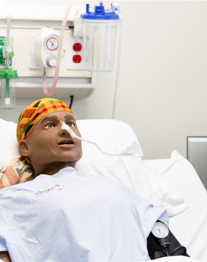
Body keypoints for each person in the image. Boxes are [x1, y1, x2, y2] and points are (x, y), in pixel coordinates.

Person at [0, 98, 188, 262]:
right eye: (50, 125)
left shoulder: (113, 186)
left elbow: (168, 248)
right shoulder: (12, 198)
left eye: (71, 123)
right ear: (25, 148)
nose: (66, 130)